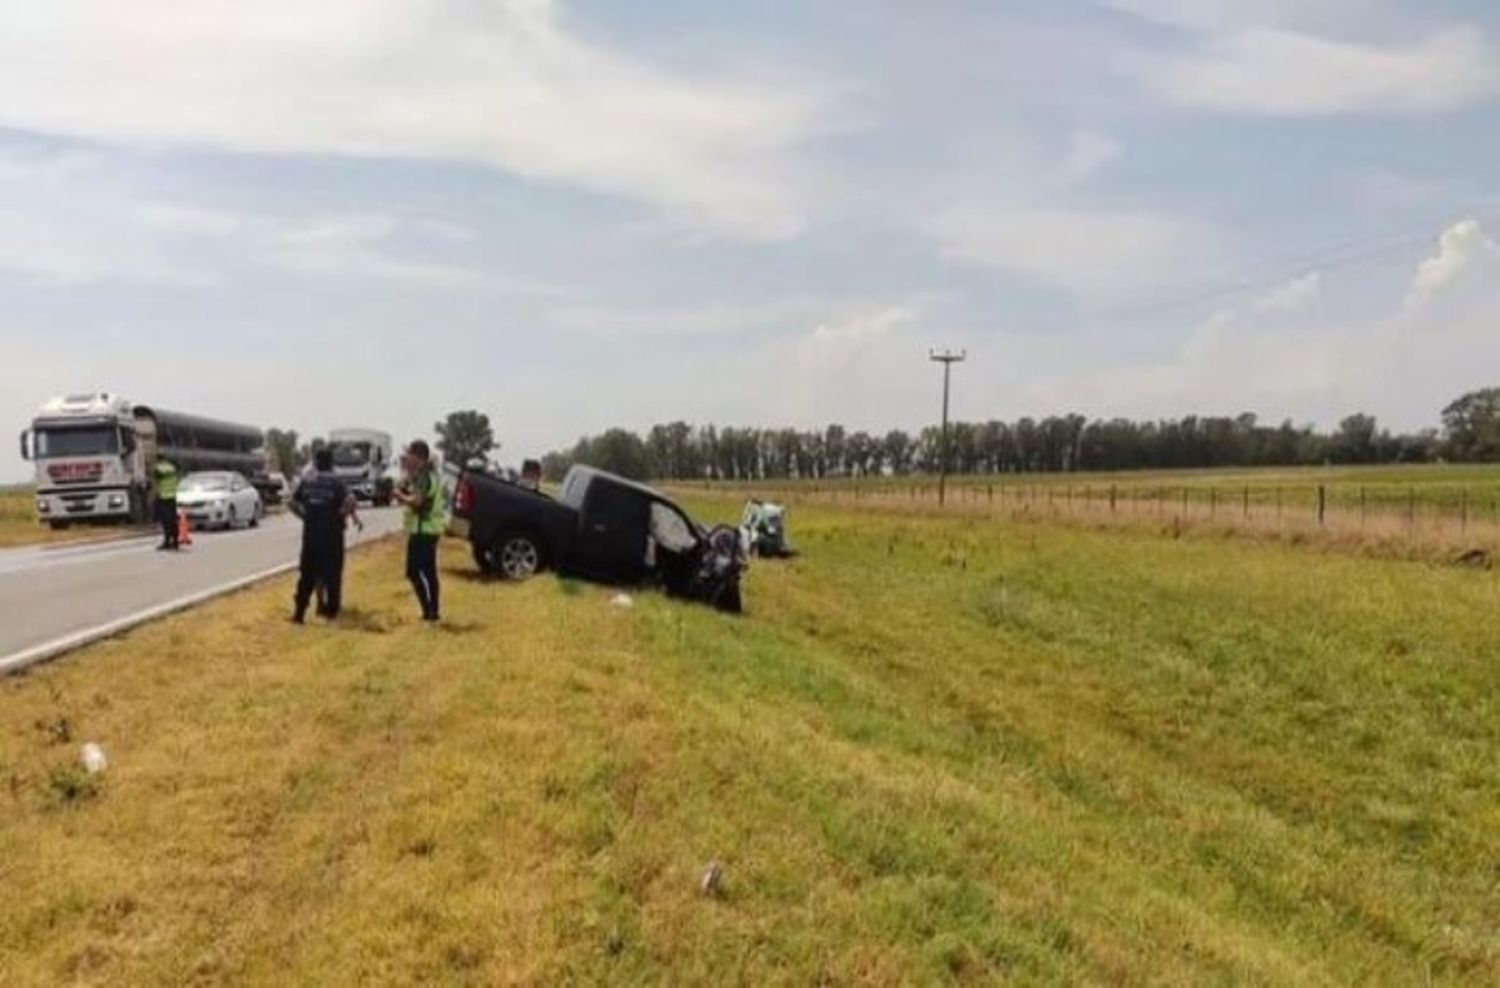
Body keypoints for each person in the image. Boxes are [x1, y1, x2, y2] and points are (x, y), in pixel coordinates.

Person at [290, 447, 355, 623]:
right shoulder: (337, 481)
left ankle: (299, 613)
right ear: (332, 462)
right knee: (332, 574)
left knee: (307, 575)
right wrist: (342, 513)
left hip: (311, 535)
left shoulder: (308, 480)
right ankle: (331, 613)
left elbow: (292, 502)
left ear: (316, 462)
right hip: (332, 535)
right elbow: (350, 500)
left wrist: (305, 516)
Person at [392, 439, 445, 622]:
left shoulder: (423, 477)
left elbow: (418, 502)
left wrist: (401, 496)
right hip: (429, 529)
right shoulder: (429, 475)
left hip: (423, 530)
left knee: (413, 571)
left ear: (419, 457)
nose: (407, 458)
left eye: (410, 455)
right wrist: (405, 482)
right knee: (429, 572)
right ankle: (433, 611)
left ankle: (428, 611)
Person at [152, 459, 180, 551]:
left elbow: (156, 483)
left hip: (163, 497)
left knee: (166, 522)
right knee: (173, 520)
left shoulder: (158, 469)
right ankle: (175, 541)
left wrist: (155, 495)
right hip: (173, 497)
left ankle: (167, 542)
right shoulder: (172, 468)